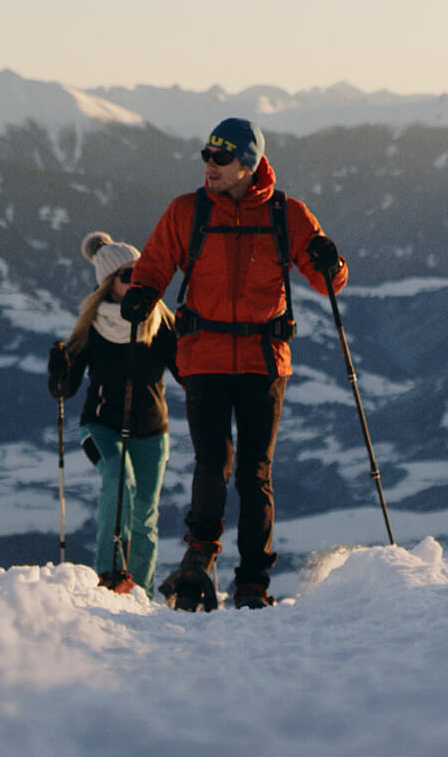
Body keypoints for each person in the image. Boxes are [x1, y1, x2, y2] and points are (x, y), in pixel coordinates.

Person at [120, 117, 346, 609]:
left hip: (264, 361)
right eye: (206, 155)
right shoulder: (187, 211)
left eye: (221, 158)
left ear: (249, 163)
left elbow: (328, 281)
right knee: (212, 463)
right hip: (203, 356)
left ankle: (252, 581)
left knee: (254, 472)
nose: (210, 166)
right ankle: (200, 559)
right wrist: (142, 291)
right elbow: (156, 261)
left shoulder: (288, 213)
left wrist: (332, 261)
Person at [48, 231, 179, 594]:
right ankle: (108, 577)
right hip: (100, 426)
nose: (136, 280)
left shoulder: (161, 322)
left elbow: (187, 373)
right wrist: (59, 368)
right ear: (109, 284)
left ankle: (141, 593)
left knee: (145, 518)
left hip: (153, 431)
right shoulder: (93, 326)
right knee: (119, 480)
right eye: (127, 275)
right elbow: (66, 388)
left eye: (140, 271)